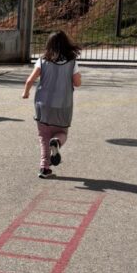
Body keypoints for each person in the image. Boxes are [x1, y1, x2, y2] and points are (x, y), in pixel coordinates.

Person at [22, 30, 82, 179]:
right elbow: (77, 83)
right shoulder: (72, 61)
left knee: (43, 136)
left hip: (42, 104)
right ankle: (57, 142)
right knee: (62, 132)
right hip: (63, 104)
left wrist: (26, 93)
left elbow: (29, 80)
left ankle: (44, 168)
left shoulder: (42, 60)